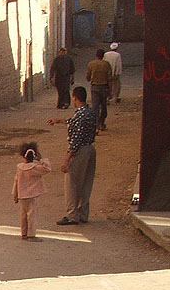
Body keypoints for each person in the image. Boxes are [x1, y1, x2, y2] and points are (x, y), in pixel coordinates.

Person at [48, 86, 99, 226]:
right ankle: (83, 213)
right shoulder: (89, 112)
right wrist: (60, 121)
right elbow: (76, 123)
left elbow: (76, 140)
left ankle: (72, 215)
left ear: (75, 98)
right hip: (90, 149)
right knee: (86, 183)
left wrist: (66, 159)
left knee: (72, 183)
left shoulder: (80, 116)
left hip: (80, 151)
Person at [12, 142, 52, 242]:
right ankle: (31, 235)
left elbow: (16, 181)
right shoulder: (35, 168)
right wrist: (42, 159)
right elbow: (47, 169)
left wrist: (15, 194)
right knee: (32, 215)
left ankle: (24, 233)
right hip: (32, 195)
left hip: (22, 195)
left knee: (23, 215)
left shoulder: (20, 168)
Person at [86, 48, 112, 131]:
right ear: (103, 56)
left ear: (96, 55)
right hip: (104, 87)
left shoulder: (91, 64)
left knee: (95, 107)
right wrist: (110, 91)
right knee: (103, 106)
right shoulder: (107, 64)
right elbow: (109, 78)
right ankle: (101, 123)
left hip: (95, 87)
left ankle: (96, 125)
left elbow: (88, 77)